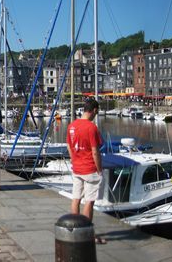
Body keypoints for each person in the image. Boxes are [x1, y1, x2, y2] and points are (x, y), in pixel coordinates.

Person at [66, 98, 106, 244]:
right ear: (94, 110)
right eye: (97, 111)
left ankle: (74, 230)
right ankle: (86, 234)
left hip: (77, 168)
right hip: (90, 169)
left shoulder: (71, 126)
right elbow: (95, 152)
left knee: (76, 198)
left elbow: (69, 146)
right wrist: (100, 169)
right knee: (89, 201)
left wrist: (74, 160)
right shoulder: (91, 127)